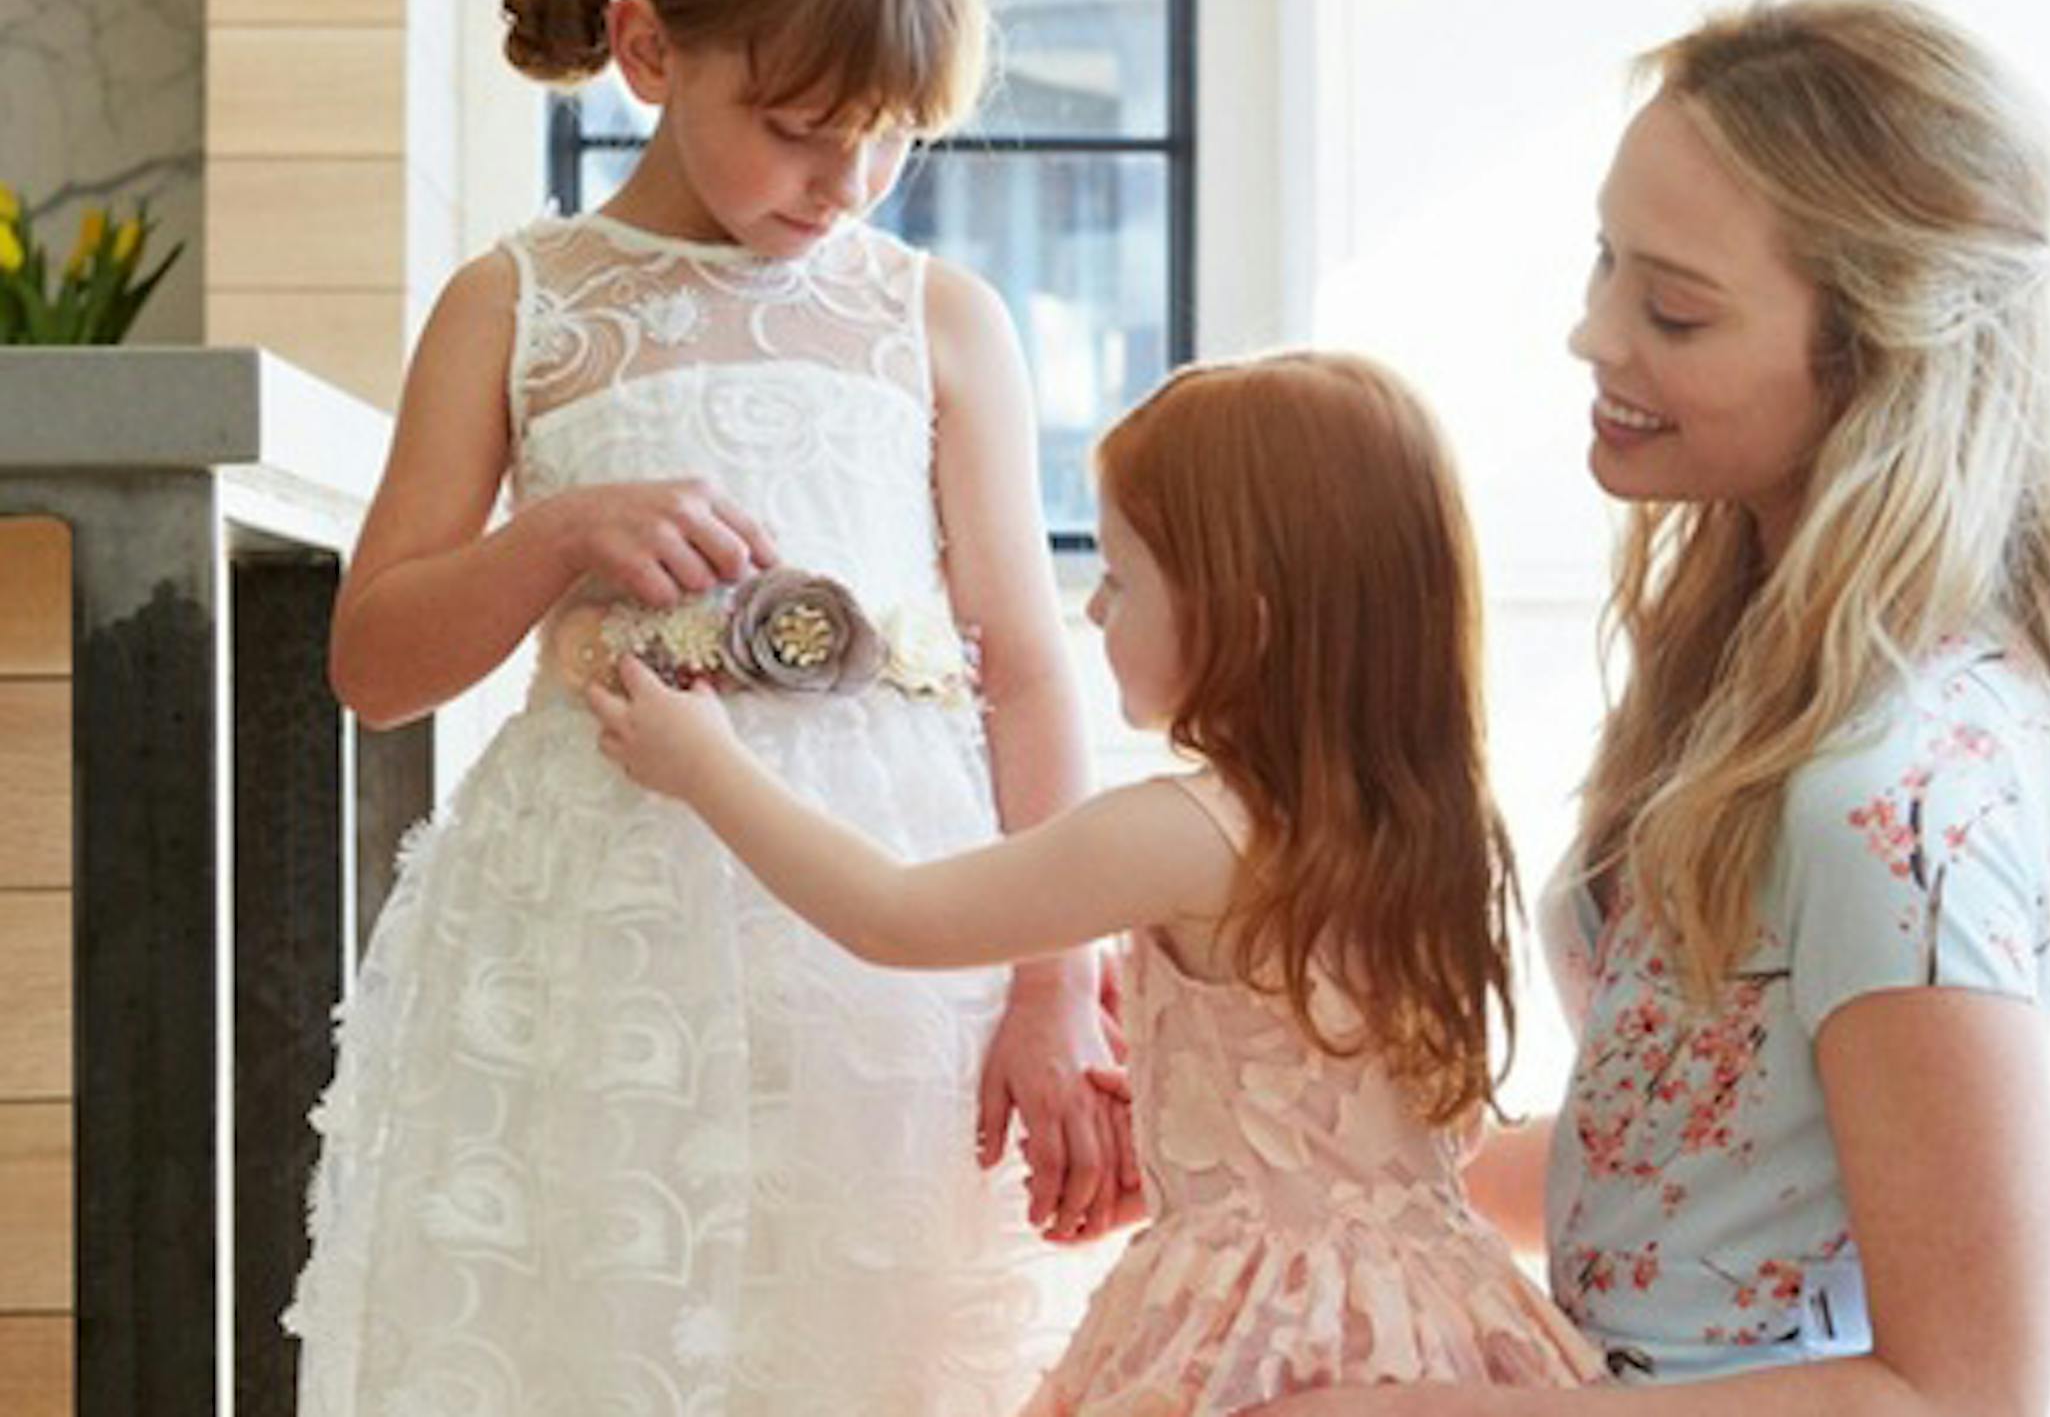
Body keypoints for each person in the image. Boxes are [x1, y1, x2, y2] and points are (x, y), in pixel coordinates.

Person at [284, 0, 1127, 1412]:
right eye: (802, 128)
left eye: (891, 140)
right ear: (649, 50)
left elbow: (1029, 670)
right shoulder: (518, 301)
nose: (847, 184)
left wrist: (1054, 980)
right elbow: (374, 664)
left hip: (887, 941)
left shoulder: (937, 321)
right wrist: (555, 537)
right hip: (592, 942)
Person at [1250, 0, 2050, 1416]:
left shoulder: (1894, 800)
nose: (1592, 335)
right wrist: (1284, 1171)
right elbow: (1696, 1171)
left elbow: (1963, 1391)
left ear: (1874, 354)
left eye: (1675, 309)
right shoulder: (1760, 674)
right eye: (1606, 261)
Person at [589, 351, 1610, 1414]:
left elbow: (897, 912)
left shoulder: (1191, 828)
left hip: (1264, 1332)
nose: (1094, 611)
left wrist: (703, 766)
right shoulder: (1432, 829)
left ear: (1245, 620)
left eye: (1119, 579)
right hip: (1438, 1316)